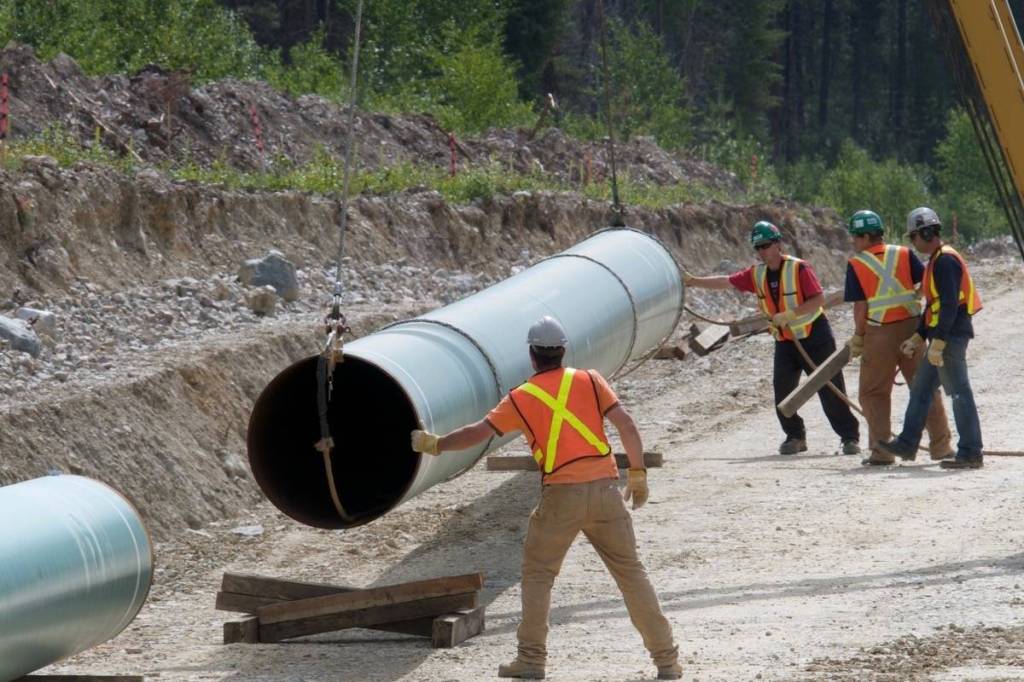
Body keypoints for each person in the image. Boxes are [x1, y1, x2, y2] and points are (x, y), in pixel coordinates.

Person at [410, 315, 682, 680]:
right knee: (632, 575)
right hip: (605, 490)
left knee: (538, 576)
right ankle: (667, 660)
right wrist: (637, 473)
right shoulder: (591, 380)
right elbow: (627, 425)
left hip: (561, 496)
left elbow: (477, 433)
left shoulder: (521, 398)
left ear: (532, 355)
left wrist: (435, 444)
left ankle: (532, 660)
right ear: (563, 351)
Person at [685, 221, 860, 455]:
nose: (762, 251)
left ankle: (849, 438)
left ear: (778, 244)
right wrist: (693, 281)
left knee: (829, 387)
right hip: (785, 341)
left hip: (814, 336)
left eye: (765, 245)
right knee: (783, 391)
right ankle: (795, 436)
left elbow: (818, 299)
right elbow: (725, 281)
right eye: (757, 248)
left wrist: (791, 314)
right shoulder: (756, 274)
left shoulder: (799, 268)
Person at [843, 210, 954, 466]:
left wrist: (859, 336)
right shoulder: (903, 253)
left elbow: (860, 307)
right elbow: (926, 282)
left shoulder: (857, 264)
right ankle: (941, 447)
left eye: (855, 236)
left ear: (866, 236)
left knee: (873, 393)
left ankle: (882, 452)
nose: (853, 242)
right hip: (912, 331)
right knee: (924, 388)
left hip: (878, 333)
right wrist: (914, 298)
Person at [876, 207, 984, 469]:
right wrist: (918, 336)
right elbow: (933, 307)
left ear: (924, 233)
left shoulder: (945, 261)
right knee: (922, 388)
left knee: (959, 392)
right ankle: (907, 442)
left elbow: (949, 305)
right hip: (942, 334)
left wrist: (939, 342)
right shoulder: (936, 260)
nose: (912, 243)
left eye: (913, 237)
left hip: (951, 336)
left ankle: (970, 451)